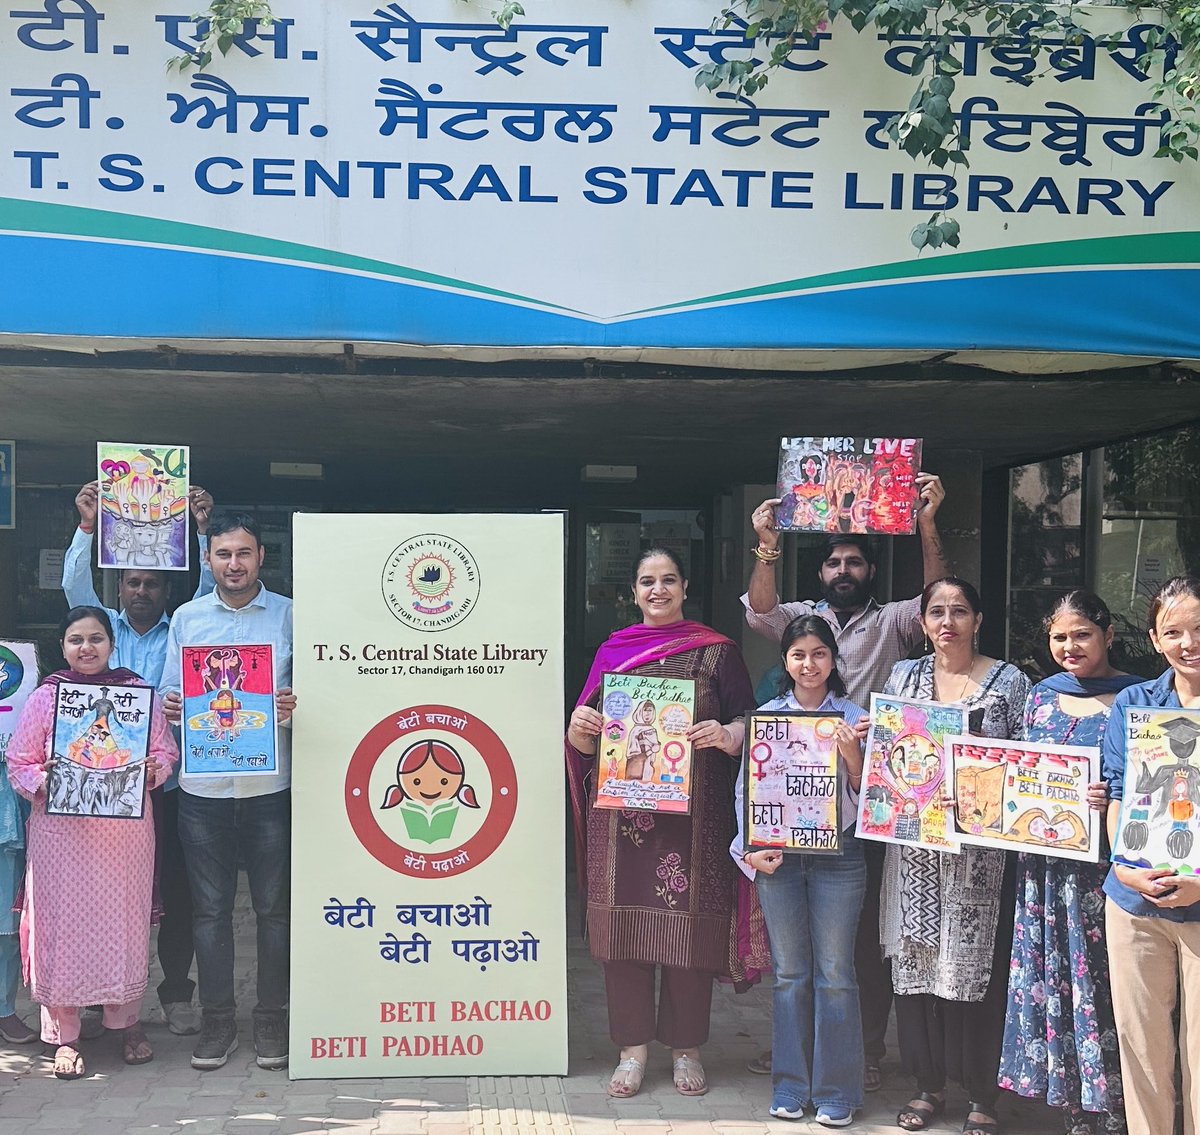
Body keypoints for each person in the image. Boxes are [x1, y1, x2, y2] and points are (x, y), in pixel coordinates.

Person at [743, 474, 949, 1088]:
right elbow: (760, 610)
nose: (842, 569)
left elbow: (938, 598)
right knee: (796, 952)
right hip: (793, 801)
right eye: (833, 561)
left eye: (854, 561)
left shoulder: (894, 621)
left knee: (857, 943)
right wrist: (767, 542)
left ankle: (863, 1053)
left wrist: (927, 522)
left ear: (869, 571)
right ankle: (801, 1052)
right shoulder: (802, 620)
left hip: (867, 798)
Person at [566, 547, 759, 1100]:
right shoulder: (613, 651)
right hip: (621, 821)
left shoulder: (717, 651)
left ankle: (686, 1050)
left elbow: (750, 718)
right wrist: (580, 727)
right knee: (622, 936)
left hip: (696, 820)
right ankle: (631, 1052)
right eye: (647, 581)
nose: (658, 590)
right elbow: (584, 742)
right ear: (633, 592)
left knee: (689, 934)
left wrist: (727, 734)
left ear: (685, 587)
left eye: (668, 580)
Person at [63, 479, 215, 1038]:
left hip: (170, 788)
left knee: (179, 893)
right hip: (104, 794)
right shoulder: (103, 632)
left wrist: (202, 531)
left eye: (152, 583)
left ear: (166, 589)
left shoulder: (186, 627)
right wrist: (87, 525)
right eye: (133, 582)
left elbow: (209, 589)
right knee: (101, 896)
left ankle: (176, 995)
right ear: (120, 587)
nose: (142, 590)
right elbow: (74, 585)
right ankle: (98, 997)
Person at [880, 578, 1030, 1135]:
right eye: (937, 612)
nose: (948, 622)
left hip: (979, 857)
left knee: (973, 970)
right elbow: (888, 756)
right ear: (922, 622)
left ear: (978, 620)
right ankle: (928, 1086)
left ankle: (982, 1096)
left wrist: (973, 786)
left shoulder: (1008, 683)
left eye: (960, 611)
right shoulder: (903, 677)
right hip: (913, 849)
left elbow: (1029, 764)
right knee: (917, 965)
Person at [7, 607, 178, 1078]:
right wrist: (47, 779)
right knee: (61, 930)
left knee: (123, 925)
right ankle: (65, 1036)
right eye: (76, 640)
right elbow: (19, 761)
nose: (87, 648)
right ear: (62, 647)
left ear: (111, 644)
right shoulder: (47, 698)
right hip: (61, 838)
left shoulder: (136, 694)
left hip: (124, 840)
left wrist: (154, 769)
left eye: (96, 638)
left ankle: (126, 1024)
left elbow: (164, 752)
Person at [158, 512, 297, 1072]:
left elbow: (319, 691)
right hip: (204, 789)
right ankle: (218, 1021)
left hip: (270, 786)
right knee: (210, 912)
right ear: (208, 560)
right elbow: (170, 691)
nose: (233, 564)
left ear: (261, 556)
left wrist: (293, 705)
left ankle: (271, 1017)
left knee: (275, 910)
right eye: (223, 554)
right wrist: (172, 705)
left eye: (243, 553)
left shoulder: (291, 616)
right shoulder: (187, 619)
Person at [998, 591, 1136, 1135]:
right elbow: (1019, 771)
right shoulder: (1041, 697)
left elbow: (1149, 781)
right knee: (1055, 979)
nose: (1070, 646)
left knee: (1105, 984)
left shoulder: (1136, 698)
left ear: (1108, 635)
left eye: (1082, 634)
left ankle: (1120, 1109)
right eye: (1060, 637)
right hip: (1045, 871)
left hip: (1104, 873)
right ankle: (1074, 1108)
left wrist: (1114, 796)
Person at [731, 615, 868, 1127]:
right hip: (779, 858)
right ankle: (790, 1086)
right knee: (789, 974)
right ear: (785, 662)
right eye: (798, 655)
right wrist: (748, 851)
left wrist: (854, 757)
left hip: (841, 855)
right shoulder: (767, 718)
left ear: (833, 659)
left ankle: (837, 1092)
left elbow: (876, 800)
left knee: (836, 974)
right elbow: (746, 791)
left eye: (819, 654)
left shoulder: (856, 719)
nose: (809, 664)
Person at [1101, 575, 1200, 1135]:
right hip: (1136, 903)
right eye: (1174, 632)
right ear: (1155, 640)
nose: (1189, 643)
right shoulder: (1135, 705)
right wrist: (1124, 866)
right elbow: (1118, 793)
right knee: (1141, 1051)